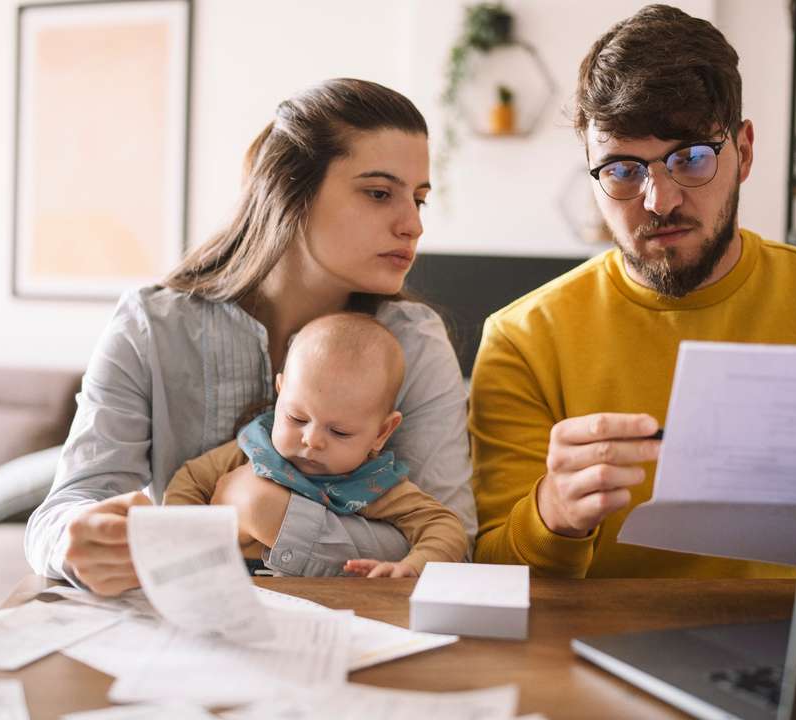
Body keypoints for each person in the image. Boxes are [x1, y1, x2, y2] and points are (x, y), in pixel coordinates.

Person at [470, 5, 796, 579]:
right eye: (622, 169)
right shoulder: (522, 340)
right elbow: (487, 577)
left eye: (690, 158)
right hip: (595, 655)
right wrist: (553, 514)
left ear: (746, 152)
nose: (659, 201)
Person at [25, 79, 475, 596]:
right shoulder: (151, 326)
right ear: (290, 191)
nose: (413, 224)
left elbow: (453, 541)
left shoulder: (414, 342)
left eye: (419, 199)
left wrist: (266, 512)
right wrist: (77, 542)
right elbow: (60, 513)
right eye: (379, 194)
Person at [162, 312, 468, 578]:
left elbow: (445, 527)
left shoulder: (374, 483)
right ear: (280, 393)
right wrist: (182, 546)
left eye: (339, 432)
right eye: (296, 418)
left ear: (382, 432)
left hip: (327, 603)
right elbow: (189, 481)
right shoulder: (254, 448)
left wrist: (414, 566)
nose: (312, 440)